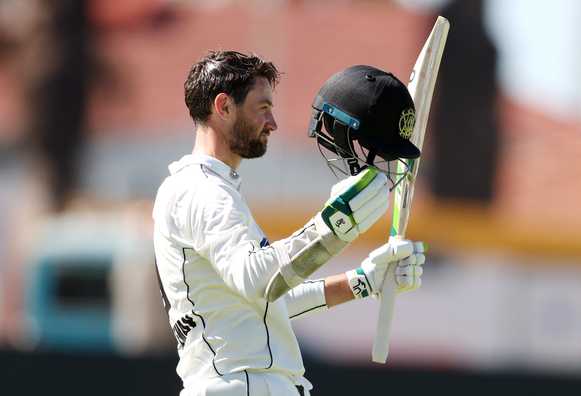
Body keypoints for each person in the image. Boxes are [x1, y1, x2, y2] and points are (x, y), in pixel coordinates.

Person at [153, 50, 425, 396]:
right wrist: (335, 225)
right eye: (263, 107)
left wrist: (362, 281)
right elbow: (257, 280)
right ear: (223, 107)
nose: (273, 123)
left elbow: (265, 302)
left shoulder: (204, 189)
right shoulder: (202, 190)